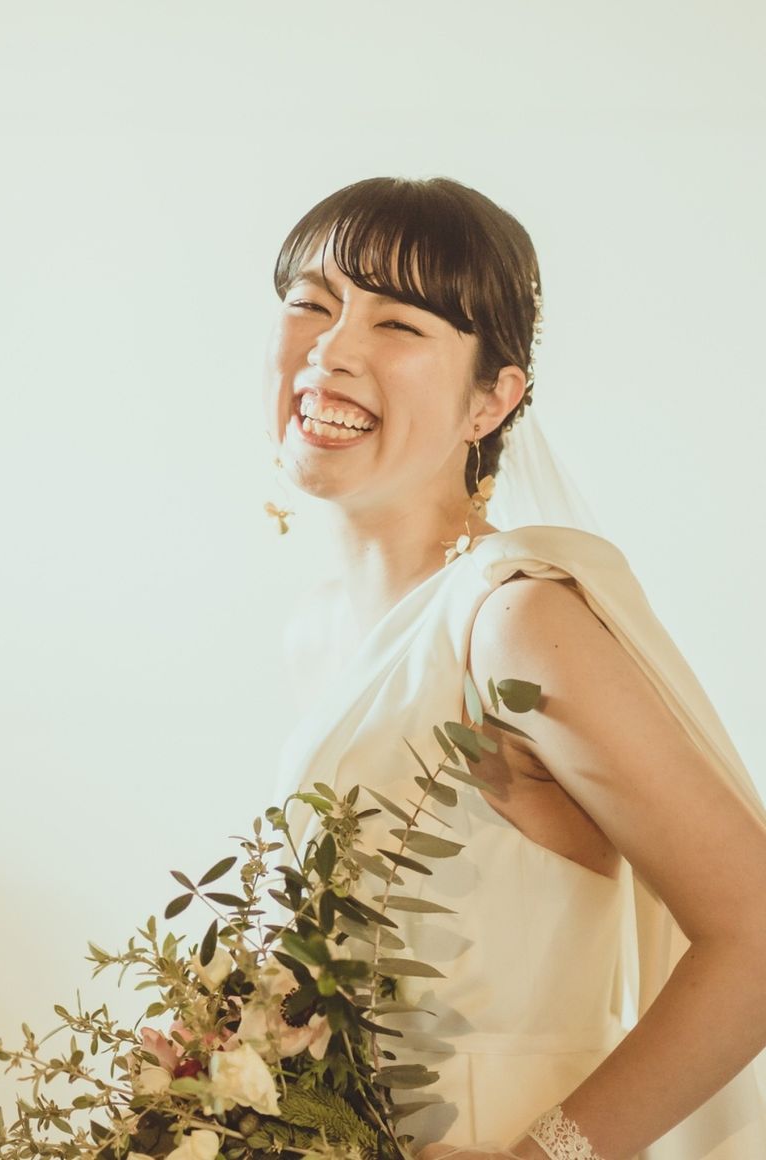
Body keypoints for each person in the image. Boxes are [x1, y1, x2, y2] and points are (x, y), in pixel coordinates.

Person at [265, 177, 766, 1159]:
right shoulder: (314, 628)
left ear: (492, 399)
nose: (331, 347)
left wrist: (545, 1157)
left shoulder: (514, 619)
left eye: (397, 322)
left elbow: (756, 933)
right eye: (310, 302)